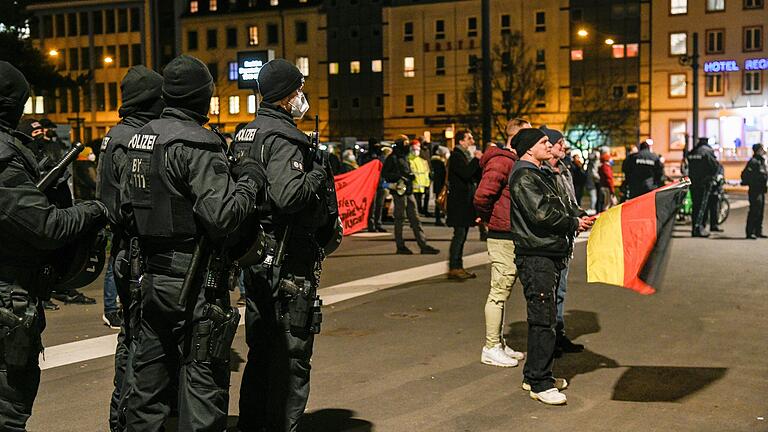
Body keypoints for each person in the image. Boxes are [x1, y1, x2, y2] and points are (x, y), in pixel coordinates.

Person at [119, 55, 264, 431]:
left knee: (148, 386)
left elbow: (123, 207)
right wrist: (249, 180)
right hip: (196, 280)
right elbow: (222, 217)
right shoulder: (196, 142)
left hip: (151, 278)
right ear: (202, 97)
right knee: (203, 387)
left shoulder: (141, 138)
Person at [0, 61, 108, 432]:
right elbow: (46, 225)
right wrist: (93, 210)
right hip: (7, 296)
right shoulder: (3, 159)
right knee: (8, 410)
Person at [231, 58, 337, 432]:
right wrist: (318, 173)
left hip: (256, 255)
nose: (302, 97)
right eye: (299, 89)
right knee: (292, 356)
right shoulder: (286, 139)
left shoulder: (245, 132)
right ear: (287, 94)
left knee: (261, 350)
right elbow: (289, 196)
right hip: (288, 258)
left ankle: (252, 424)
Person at [94, 64, 165, 431]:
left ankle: (122, 415)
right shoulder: (133, 140)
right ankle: (126, 417)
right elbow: (131, 203)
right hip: (134, 250)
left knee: (132, 336)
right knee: (139, 338)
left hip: (123, 248)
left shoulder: (115, 135)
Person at [507, 128, 593, 406]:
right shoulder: (524, 175)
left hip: (545, 253)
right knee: (544, 320)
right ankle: (541, 384)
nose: (550, 145)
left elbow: (556, 205)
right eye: (543, 142)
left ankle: (534, 375)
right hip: (537, 256)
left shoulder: (537, 173)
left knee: (542, 319)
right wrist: (572, 223)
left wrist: (578, 216)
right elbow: (541, 213)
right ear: (529, 148)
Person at [473, 120, 529, 368]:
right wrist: (491, 218)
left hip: (507, 232)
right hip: (502, 234)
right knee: (498, 292)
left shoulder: (509, 161)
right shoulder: (502, 162)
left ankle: (498, 342)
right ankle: (491, 346)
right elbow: (482, 196)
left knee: (503, 291)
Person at [540, 126, 586, 357]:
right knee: (548, 292)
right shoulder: (541, 172)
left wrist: (581, 214)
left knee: (561, 290)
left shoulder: (564, 169)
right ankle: (549, 339)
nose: (564, 147)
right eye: (561, 144)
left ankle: (559, 334)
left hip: (566, 236)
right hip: (551, 238)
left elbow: (571, 201)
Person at [382, 135, 440, 255]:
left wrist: (409, 176)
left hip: (408, 190)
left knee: (415, 219)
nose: (407, 146)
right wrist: (399, 177)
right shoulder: (392, 158)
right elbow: (385, 174)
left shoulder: (404, 157)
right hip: (400, 191)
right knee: (400, 219)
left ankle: (423, 244)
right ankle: (400, 245)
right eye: (405, 143)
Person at [447, 130, 482, 279]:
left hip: (464, 202)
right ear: (461, 141)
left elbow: (472, 175)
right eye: (469, 138)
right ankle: (454, 267)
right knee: (459, 235)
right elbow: (466, 173)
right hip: (458, 203)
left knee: (462, 235)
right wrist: (475, 160)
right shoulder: (456, 156)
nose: (472, 141)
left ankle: (458, 266)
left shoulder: (463, 156)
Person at [687, 137, 721, 237]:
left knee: (695, 205)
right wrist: (712, 177)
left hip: (693, 182)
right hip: (704, 182)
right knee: (702, 206)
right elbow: (714, 166)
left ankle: (695, 228)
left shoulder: (693, 152)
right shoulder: (707, 151)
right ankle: (699, 228)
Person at [742, 144, 768, 239]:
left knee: (760, 211)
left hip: (761, 189)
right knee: (754, 211)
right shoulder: (753, 162)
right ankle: (750, 232)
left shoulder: (761, 161)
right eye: (762, 149)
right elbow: (746, 175)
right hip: (755, 189)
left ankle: (758, 231)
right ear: (758, 150)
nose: (763, 151)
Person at [364, 141, 388, 233]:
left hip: (381, 183)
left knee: (379, 205)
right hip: (371, 184)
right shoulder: (367, 156)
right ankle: (371, 224)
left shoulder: (382, 156)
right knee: (372, 206)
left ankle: (378, 223)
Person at [409, 140, 431, 215]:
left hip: (421, 186)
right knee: (413, 203)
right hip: (413, 186)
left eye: (418, 149)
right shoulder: (408, 160)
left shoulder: (422, 160)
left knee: (418, 201)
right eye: (414, 149)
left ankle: (418, 212)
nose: (416, 151)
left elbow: (426, 172)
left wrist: (427, 183)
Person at [430, 145, 449, 226]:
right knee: (440, 201)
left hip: (438, 184)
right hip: (440, 184)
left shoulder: (436, 161)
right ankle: (438, 219)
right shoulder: (439, 162)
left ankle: (439, 217)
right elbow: (442, 174)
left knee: (439, 201)